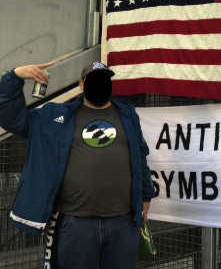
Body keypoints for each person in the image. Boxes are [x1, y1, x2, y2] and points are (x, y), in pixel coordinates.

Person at [0, 62, 155, 269]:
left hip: (123, 223)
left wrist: (146, 197)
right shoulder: (53, 116)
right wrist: (15, 77)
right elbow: (11, 119)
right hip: (74, 225)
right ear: (82, 85)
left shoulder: (127, 114)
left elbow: (140, 156)